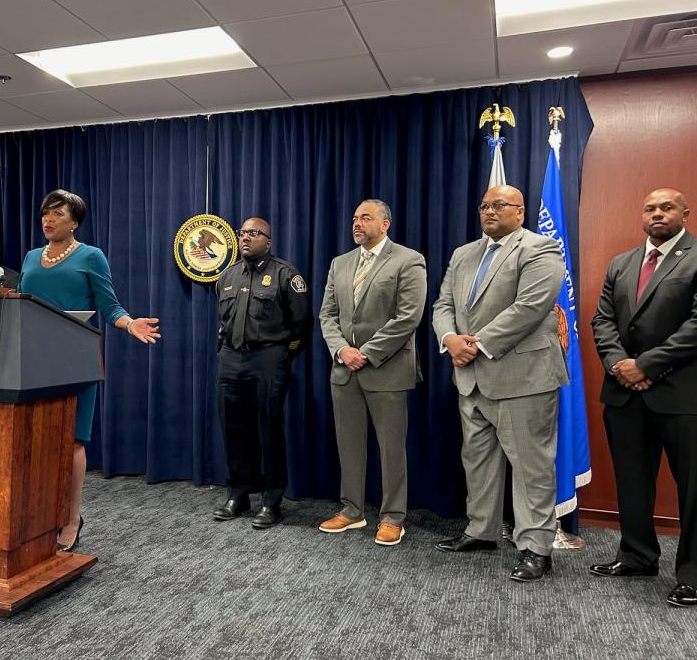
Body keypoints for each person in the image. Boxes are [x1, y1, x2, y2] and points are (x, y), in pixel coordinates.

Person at [431, 184, 567, 581]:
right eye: (485, 205)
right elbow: (443, 305)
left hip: (522, 376)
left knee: (531, 467)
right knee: (477, 460)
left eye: (500, 205)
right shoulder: (463, 254)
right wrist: (449, 339)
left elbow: (530, 307)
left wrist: (478, 344)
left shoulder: (541, 248)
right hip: (470, 378)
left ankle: (536, 547)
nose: (489, 211)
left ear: (520, 212)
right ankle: (481, 531)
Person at [19, 189, 160, 551]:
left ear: (75, 222)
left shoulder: (91, 256)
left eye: (57, 214)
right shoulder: (32, 256)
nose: (48, 220)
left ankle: (70, 517)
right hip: (32, 358)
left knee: (71, 440)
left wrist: (130, 325)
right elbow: (19, 304)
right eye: (45, 214)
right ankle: (39, 515)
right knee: (36, 440)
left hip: (76, 358)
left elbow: (109, 306)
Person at [590, 187, 697, 608]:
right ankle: (636, 556)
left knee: (692, 489)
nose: (657, 213)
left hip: (681, 394)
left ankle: (691, 573)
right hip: (624, 393)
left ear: (685, 214)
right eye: (650, 208)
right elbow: (602, 320)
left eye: (666, 207)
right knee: (632, 481)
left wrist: (646, 365)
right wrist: (621, 365)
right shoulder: (623, 262)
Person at [317, 200, 426, 545]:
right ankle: (352, 510)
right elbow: (327, 315)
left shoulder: (409, 260)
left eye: (365, 218)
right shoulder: (340, 263)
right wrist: (341, 350)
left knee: (391, 447)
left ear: (385, 223)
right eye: (354, 218)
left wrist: (366, 353)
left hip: (387, 369)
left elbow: (408, 317)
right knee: (348, 444)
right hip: (344, 369)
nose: (357, 223)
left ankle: (393, 516)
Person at [212, 217, 312, 529]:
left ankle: (272, 501)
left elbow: (302, 324)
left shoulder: (285, 274)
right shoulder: (227, 275)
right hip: (231, 359)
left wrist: (283, 356)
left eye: (254, 233)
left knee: (269, 430)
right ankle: (238, 495)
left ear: (268, 241)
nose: (246, 238)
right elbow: (223, 322)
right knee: (233, 428)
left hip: (269, 358)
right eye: (242, 233)